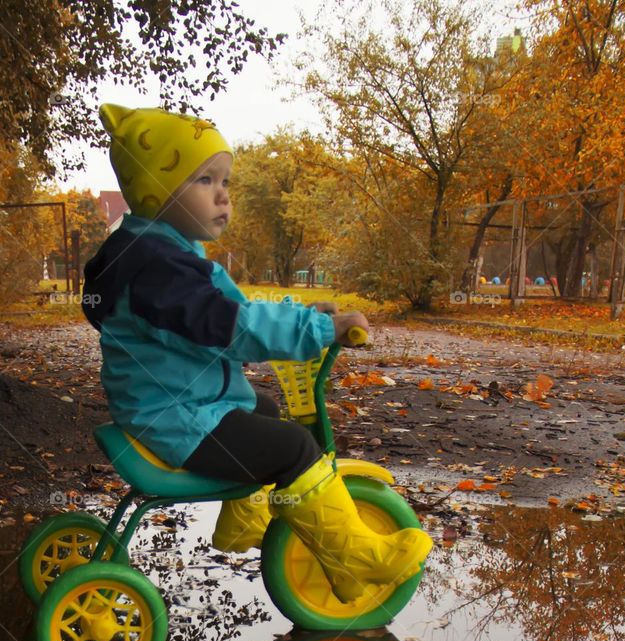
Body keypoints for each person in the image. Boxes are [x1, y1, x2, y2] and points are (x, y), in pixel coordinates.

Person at [82, 103, 432, 603]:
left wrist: (307, 313)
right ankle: (354, 564)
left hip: (171, 405)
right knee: (292, 447)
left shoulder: (156, 257)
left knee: (260, 408)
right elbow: (233, 328)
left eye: (225, 181)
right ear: (156, 191)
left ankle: (242, 520)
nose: (223, 195)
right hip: (176, 418)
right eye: (205, 180)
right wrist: (319, 330)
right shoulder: (160, 272)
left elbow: (232, 309)